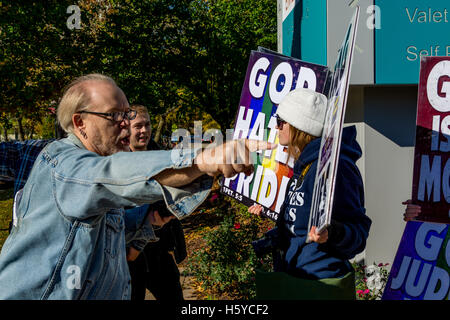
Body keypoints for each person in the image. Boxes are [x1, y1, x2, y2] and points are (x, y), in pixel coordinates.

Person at [0, 73, 274, 300]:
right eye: (113, 115)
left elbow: (103, 237)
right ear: (79, 122)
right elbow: (108, 174)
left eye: (127, 113)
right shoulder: (65, 163)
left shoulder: (100, 161)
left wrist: (147, 223)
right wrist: (203, 159)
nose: (126, 123)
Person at [248, 88, 372, 300]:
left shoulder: (337, 167)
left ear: (299, 127)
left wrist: (331, 232)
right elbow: (298, 229)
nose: (275, 126)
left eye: (280, 121)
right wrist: (266, 241)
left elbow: (358, 234)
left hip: (322, 286)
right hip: (296, 280)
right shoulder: (304, 166)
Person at [126, 104, 186, 300]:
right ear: (126, 128)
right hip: (128, 257)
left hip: (159, 250)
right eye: (138, 126)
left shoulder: (163, 159)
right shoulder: (116, 162)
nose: (144, 131)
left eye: (148, 124)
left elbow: (174, 197)